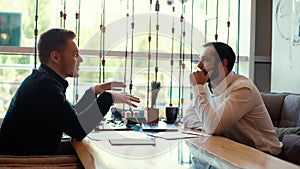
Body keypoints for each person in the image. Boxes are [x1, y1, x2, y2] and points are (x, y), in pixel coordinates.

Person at [0, 28, 140, 155]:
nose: (80, 59)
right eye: (75, 54)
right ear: (55, 57)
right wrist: (108, 97)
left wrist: (93, 92)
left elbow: (68, 118)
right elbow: (78, 129)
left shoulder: (44, 80)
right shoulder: (45, 86)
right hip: (22, 164)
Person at [183, 42, 282, 156]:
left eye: (205, 60)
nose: (199, 65)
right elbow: (188, 118)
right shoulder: (206, 87)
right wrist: (210, 124)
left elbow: (212, 127)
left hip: (264, 155)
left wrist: (197, 87)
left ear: (223, 63)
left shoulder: (242, 88)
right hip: (235, 150)